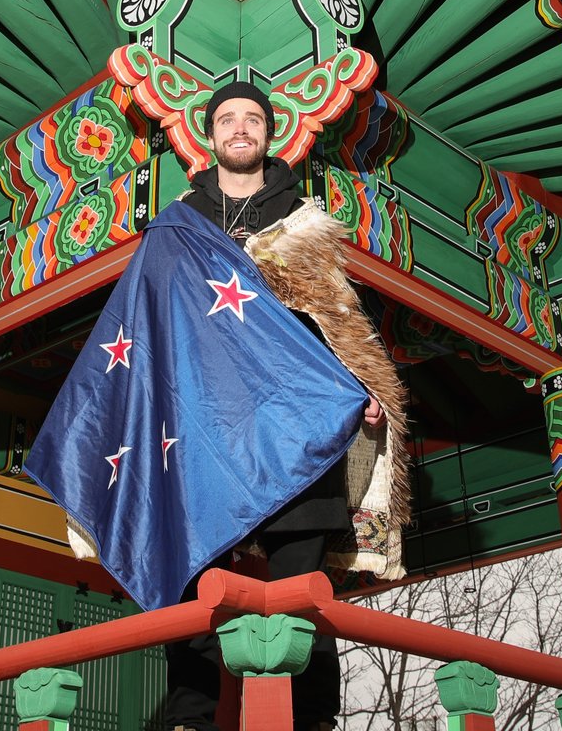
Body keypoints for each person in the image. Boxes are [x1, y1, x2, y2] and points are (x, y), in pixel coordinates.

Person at [161, 79, 409, 731]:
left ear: (268, 134)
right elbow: (155, 325)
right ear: (209, 135)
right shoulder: (180, 226)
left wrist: (365, 391)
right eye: (227, 119)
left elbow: (342, 321)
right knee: (189, 572)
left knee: (300, 585)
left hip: (296, 425)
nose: (240, 128)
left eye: (252, 119)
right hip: (210, 425)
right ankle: (189, 712)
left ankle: (313, 717)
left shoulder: (307, 221)